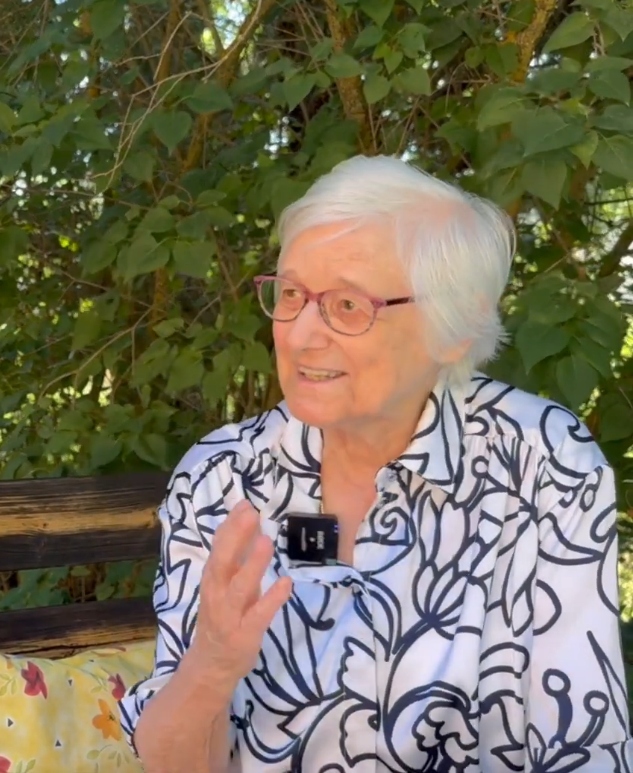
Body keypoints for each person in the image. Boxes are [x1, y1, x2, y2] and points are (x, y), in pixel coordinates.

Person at [117, 155, 628, 772]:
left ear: (454, 327)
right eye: (292, 294)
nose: (301, 334)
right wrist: (212, 666)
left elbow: (580, 745)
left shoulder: (542, 464)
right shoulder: (223, 476)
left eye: (348, 306)